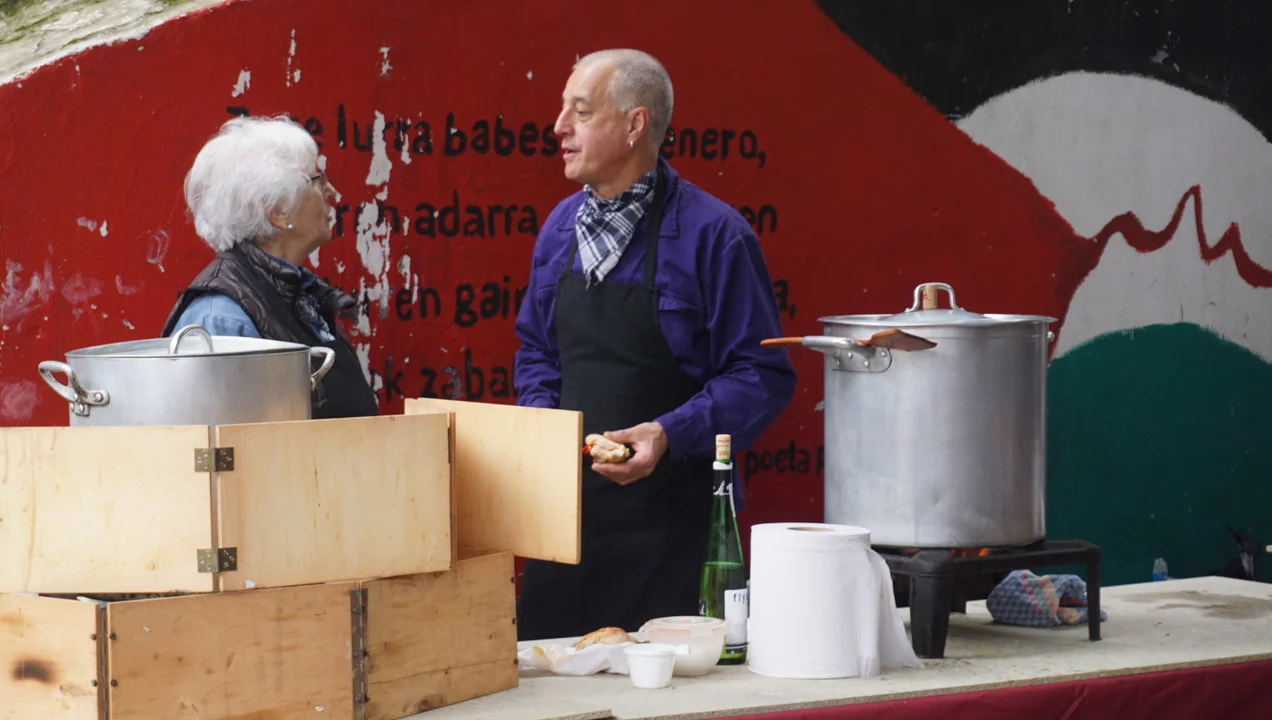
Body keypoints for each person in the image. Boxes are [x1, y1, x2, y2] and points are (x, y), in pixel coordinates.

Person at [512, 49, 797, 640]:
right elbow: (537, 350)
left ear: (634, 124)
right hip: (564, 535)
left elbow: (761, 375)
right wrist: (542, 425)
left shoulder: (715, 236)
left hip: (673, 540)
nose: (559, 127)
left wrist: (668, 434)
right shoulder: (559, 229)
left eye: (580, 112)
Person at [161, 115, 378, 420]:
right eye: (317, 180)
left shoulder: (300, 295)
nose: (331, 191)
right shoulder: (221, 319)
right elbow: (220, 441)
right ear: (278, 211)